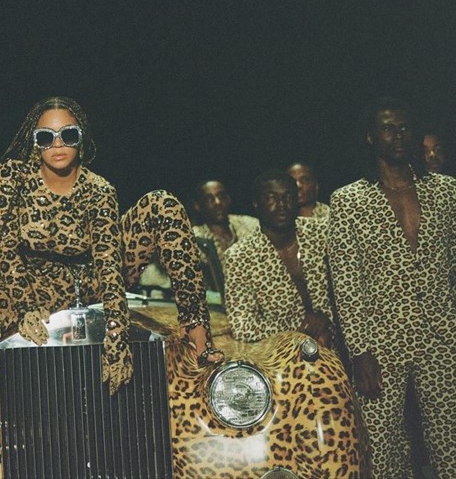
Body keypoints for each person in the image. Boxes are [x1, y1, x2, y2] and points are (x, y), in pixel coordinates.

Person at [0, 97, 221, 478]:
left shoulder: (100, 190)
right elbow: (6, 250)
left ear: (81, 139)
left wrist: (116, 333)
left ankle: (198, 335)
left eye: (68, 135)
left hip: (91, 278)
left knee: (162, 203)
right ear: (34, 142)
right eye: (46, 137)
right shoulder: (10, 178)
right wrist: (26, 305)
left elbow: (110, 266)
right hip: (28, 280)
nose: (57, 144)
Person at [328, 97, 456, 478]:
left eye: (404, 128)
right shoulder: (348, 200)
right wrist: (360, 351)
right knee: (382, 445)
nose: (398, 135)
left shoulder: (446, 192)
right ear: (371, 137)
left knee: (450, 439)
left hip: (441, 335)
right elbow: (346, 283)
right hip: (381, 341)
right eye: (388, 129)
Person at [225, 170, 334, 346]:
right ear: (256, 204)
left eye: (288, 197)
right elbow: (242, 326)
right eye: (271, 198)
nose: (281, 204)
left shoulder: (322, 233)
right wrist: (300, 327)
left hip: (342, 344)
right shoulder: (240, 256)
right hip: (285, 352)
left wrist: (327, 320)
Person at [191, 179, 259, 266]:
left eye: (221, 196)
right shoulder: (194, 239)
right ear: (197, 206)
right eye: (209, 199)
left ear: (228, 199)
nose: (218, 202)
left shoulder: (250, 224)